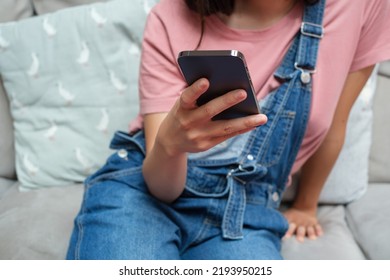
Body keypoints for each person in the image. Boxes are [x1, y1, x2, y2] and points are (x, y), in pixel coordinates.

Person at [66, 0, 390, 260]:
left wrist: (306, 204)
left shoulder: (361, 6)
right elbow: (162, 188)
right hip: (146, 190)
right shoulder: (169, 16)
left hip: (249, 211)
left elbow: (336, 121)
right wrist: (169, 145)